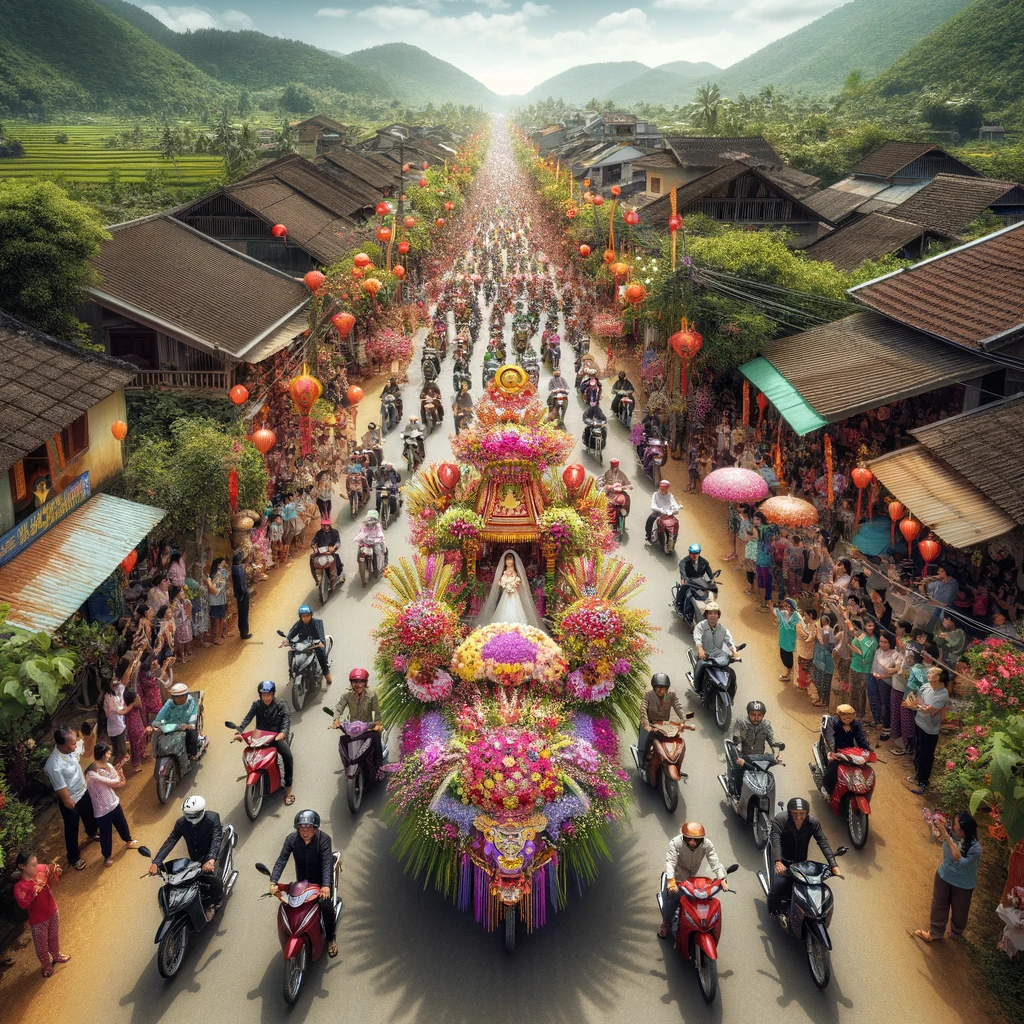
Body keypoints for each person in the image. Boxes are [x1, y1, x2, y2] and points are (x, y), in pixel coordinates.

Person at [269, 810, 337, 958]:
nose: (305, 831)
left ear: (315, 828)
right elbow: (282, 860)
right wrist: (273, 881)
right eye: (301, 827)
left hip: (320, 882)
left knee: (325, 905)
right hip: (302, 883)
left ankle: (331, 939)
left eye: (308, 827)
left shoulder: (324, 839)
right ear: (297, 828)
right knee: (291, 906)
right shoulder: (292, 839)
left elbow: (326, 863)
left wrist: (326, 885)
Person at [150, 795, 225, 918]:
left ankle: (216, 902)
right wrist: (156, 862)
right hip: (195, 857)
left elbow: (216, 839)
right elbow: (170, 841)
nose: (189, 818)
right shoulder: (181, 823)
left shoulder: (212, 818)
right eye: (187, 814)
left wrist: (211, 859)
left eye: (192, 815)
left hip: (210, 854)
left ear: (201, 812)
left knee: (214, 882)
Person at [915, 811, 982, 943]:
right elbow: (935, 837)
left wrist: (946, 836)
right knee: (939, 904)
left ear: (964, 830)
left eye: (956, 824)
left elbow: (961, 862)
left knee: (960, 911)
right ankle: (935, 933)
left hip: (963, 884)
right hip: (944, 875)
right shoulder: (951, 833)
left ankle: (956, 932)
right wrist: (934, 826)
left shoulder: (975, 848)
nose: (953, 826)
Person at [767, 797, 841, 914]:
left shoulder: (813, 823)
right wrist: (778, 861)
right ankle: (773, 911)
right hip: (784, 862)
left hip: (801, 864)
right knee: (776, 888)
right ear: (789, 812)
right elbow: (775, 840)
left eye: (802, 813)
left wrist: (833, 864)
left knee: (811, 888)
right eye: (794, 813)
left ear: (807, 813)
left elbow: (822, 841)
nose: (798, 817)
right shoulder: (780, 820)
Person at [658, 822, 727, 939]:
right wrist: (671, 881)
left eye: (696, 840)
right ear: (684, 837)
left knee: (703, 902)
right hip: (678, 878)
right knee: (670, 899)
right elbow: (671, 862)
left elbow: (714, 861)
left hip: (696, 880)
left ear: (702, 839)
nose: (692, 842)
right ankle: (667, 923)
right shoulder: (676, 843)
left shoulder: (707, 845)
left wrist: (721, 878)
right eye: (689, 839)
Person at [44, 725, 98, 871]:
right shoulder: (54, 765)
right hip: (70, 798)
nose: (76, 745)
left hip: (82, 789)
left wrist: (90, 737)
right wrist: (68, 801)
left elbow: (85, 748)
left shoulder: (71, 748)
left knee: (90, 815)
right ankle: (74, 858)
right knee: (72, 828)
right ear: (62, 744)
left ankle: (92, 832)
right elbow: (60, 787)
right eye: (73, 743)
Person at [236, 680, 294, 804]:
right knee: (249, 755)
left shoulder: (282, 704)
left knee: (288, 758)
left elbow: (286, 721)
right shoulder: (256, 705)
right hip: (260, 735)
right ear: (260, 695)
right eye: (263, 695)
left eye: (268, 695)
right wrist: (240, 731)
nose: (266, 698)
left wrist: (282, 734)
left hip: (277, 736)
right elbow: (247, 718)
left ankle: (288, 789)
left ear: (273, 694)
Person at [13, 852, 68, 977]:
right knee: (41, 945)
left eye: (36, 863)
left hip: (52, 910)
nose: (37, 867)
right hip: (38, 920)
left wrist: (55, 871)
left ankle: (56, 955)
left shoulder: (41, 869)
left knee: (54, 936)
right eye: (33, 865)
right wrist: (33, 889)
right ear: (22, 866)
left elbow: (51, 871)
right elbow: (23, 904)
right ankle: (46, 965)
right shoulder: (19, 887)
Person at [84, 743, 139, 866]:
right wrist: (118, 776)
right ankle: (107, 856)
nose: (110, 755)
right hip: (101, 809)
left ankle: (128, 840)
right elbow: (112, 781)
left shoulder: (106, 766)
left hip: (113, 802)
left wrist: (117, 775)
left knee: (121, 823)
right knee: (105, 833)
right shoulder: (91, 775)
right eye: (108, 753)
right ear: (103, 755)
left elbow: (114, 777)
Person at [906, 666, 949, 794]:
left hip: (930, 729)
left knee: (927, 755)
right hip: (919, 722)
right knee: (919, 751)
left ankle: (924, 782)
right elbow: (920, 703)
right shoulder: (925, 686)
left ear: (939, 678)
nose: (928, 674)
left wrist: (914, 705)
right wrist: (916, 705)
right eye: (929, 672)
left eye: (932, 673)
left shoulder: (943, 694)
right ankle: (918, 776)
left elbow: (928, 710)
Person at [331, 668, 384, 768]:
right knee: (343, 742)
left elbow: (377, 712)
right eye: (355, 682)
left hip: (368, 727)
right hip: (353, 728)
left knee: (376, 736)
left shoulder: (371, 694)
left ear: (366, 682)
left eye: (362, 682)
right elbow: (339, 707)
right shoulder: (347, 694)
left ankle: (379, 765)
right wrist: (336, 720)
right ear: (351, 683)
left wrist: (377, 724)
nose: (358, 685)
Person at [727, 700, 782, 794]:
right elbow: (737, 742)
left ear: (763, 715)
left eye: (759, 715)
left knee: (765, 780)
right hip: (743, 757)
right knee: (738, 773)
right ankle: (737, 794)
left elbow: (772, 742)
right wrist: (738, 757)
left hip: (759, 759)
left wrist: (777, 754)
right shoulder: (741, 723)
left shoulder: (766, 725)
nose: (756, 718)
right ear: (748, 714)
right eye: (753, 714)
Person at [820, 704, 871, 796]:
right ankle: (826, 787)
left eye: (850, 718)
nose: (848, 720)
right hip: (835, 748)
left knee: (860, 766)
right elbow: (830, 738)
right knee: (834, 767)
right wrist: (834, 752)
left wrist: (868, 750)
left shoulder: (856, 724)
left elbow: (860, 739)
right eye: (845, 718)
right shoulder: (832, 722)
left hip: (849, 749)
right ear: (839, 716)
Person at [638, 672, 686, 768]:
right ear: (654, 687)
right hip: (650, 725)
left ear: (667, 688)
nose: (660, 690)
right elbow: (643, 709)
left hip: (664, 727)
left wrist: (682, 718)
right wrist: (646, 725)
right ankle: (642, 765)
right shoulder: (648, 695)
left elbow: (678, 706)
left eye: (663, 687)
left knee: (677, 745)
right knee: (643, 747)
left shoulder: (671, 696)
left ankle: (676, 765)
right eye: (658, 687)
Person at [692, 602, 738, 698]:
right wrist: (700, 650)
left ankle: (730, 696)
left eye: (715, 613)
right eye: (710, 613)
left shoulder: (722, 629)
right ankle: (697, 687)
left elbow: (729, 641)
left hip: (718, 659)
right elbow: (697, 639)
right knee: (700, 665)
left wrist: (735, 652)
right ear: (706, 615)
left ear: (718, 615)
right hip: (705, 656)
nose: (713, 616)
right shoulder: (700, 626)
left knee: (732, 673)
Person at [282, 605, 332, 686]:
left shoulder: (317, 623)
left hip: (316, 640)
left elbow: (320, 635)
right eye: (303, 616)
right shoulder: (299, 624)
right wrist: (287, 640)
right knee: (291, 652)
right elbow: (292, 632)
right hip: (304, 642)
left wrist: (319, 644)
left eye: (307, 616)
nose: (306, 618)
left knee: (320, 655)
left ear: (311, 615)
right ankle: (291, 672)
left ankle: (327, 675)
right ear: (300, 617)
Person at [152, 681, 201, 757]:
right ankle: (156, 754)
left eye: (183, 696)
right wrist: (158, 724)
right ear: (173, 697)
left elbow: (193, 713)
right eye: (177, 697)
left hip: (185, 725)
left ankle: (191, 754)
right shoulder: (168, 705)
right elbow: (159, 719)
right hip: (171, 726)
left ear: (186, 695)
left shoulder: (191, 701)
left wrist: (191, 725)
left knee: (192, 734)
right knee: (155, 737)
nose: (181, 699)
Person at [676, 542, 712, 619]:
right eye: (692, 553)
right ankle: (678, 605)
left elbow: (709, 574)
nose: (694, 555)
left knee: (706, 595)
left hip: (698, 582)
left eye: (696, 553)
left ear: (699, 553)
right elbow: (682, 570)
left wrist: (711, 581)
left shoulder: (704, 562)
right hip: (688, 580)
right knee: (684, 587)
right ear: (689, 553)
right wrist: (684, 578)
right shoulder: (684, 562)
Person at [646, 480, 680, 544]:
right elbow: (653, 505)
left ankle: (674, 539)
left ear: (667, 489)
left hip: (668, 514)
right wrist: (660, 510)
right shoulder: (655, 495)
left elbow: (674, 504)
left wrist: (675, 509)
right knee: (650, 520)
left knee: (676, 523)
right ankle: (648, 534)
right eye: (661, 489)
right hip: (657, 512)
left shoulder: (670, 496)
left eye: (663, 489)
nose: (661, 491)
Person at [309, 517, 342, 584]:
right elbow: (313, 541)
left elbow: (338, 541)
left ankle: (336, 577)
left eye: (327, 525)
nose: (325, 527)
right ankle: (317, 580)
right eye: (324, 525)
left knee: (337, 565)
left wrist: (334, 547)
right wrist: (314, 548)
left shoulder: (335, 532)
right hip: (321, 552)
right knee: (312, 560)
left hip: (330, 552)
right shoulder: (319, 533)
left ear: (329, 526)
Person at [773, 598, 799, 682]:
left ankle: (787, 674)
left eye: (788, 606)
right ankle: (788, 672)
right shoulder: (784, 613)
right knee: (783, 656)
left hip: (790, 642)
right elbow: (776, 614)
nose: (786, 608)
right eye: (786, 606)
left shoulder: (796, 617)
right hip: (783, 640)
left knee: (788, 659)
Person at [206, 557, 229, 644]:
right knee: (218, 618)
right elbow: (214, 591)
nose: (225, 565)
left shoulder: (217, 574)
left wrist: (208, 583)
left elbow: (214, 590)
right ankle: (217, 638)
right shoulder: (220, 574)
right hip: (218, 600)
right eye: (223, 564)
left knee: (216, 618)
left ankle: (216, 637)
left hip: (216, 600)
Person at [231, 551, 251, 640]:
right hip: (242, 594)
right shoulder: (237, 568)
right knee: (243, 613)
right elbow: (240, 583)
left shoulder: (236, 568)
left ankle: (244, 631)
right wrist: (243, 593)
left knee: (243, 612)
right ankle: (244, 632)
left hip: (242, 594)